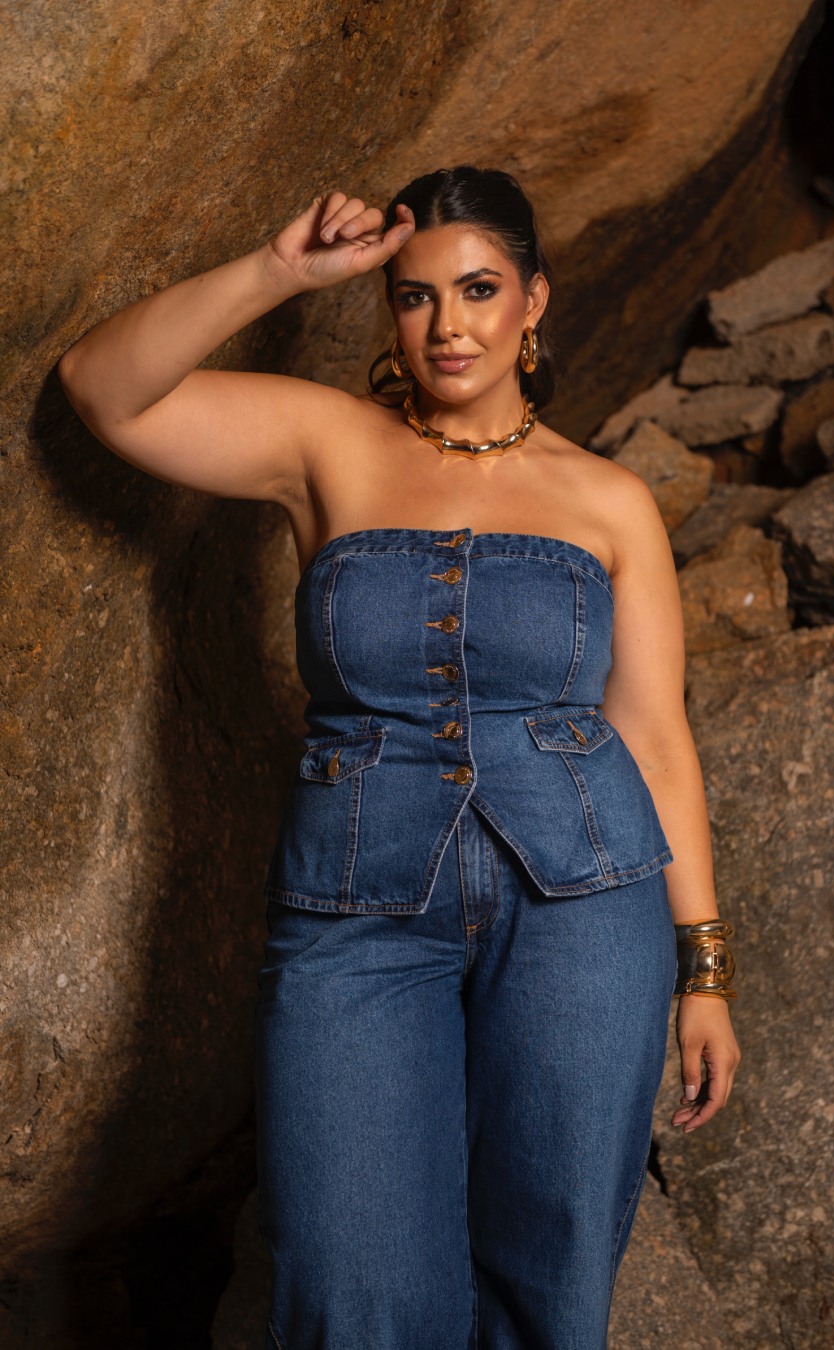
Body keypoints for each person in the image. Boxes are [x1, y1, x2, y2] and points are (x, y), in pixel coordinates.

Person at [58, 164, 741, 1349]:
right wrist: (279, 270)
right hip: (354, 909)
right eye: (416, 296)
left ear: (534, 300)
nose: (448, 325)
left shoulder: (609, 501)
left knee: (552, 1268)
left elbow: (653, 736)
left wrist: (705, 970)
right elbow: (102, 388)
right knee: (348, 1277)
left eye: (478, 290)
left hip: (584, 909)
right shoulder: (324, 444)